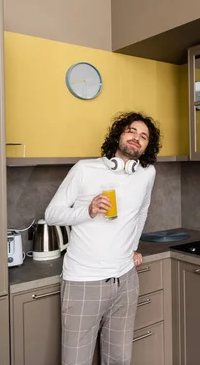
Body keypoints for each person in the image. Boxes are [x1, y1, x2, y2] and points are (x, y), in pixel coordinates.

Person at [45, 111, 162, 365]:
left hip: (126, 281)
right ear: (118, 134)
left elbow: (141, 212)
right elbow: (52, 214)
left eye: (143, 136)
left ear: (146, 147)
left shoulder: (146, 173)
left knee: (119, 359)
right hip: (84, 281)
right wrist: (86, 211)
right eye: (131, 131)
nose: (137, 138)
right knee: (76, 361)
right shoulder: (85, 169)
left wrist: (132, 247)